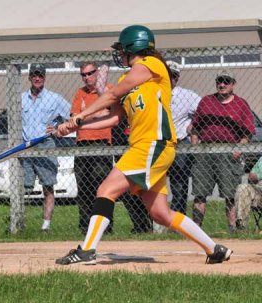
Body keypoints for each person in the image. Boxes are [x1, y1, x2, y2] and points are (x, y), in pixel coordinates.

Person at [53, 24, 232, 265]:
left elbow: (110, 96)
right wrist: (76, 126)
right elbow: (115, 118)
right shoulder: (127, 78)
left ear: (134, 47)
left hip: (153, 144)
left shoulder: (152, 65)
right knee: (160, 213)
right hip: (143, 147)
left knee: (106, 190)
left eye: (123, 49)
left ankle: (87, 250)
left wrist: (81, 116)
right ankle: (214, 249)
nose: (120, 54)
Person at [190, 71, 255, 233]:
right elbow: (195, 128)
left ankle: (232, 229)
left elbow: (248, 132)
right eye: (220, 81)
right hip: (205, 151)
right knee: (199, 193)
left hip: (229, 152)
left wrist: (238, 149)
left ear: (233, 84)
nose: (222, 84)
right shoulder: (206, 102)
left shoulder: (241, 104)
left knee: (230, 194)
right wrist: (195, 148)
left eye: (226, 81)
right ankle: (196, 229)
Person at [22, 63, 71, 232]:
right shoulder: (20, 99)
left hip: (46, 145)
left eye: (40, 75)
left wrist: (59, 130)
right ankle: (20, 223)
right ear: (29, 77)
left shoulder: (54, 98)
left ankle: (46, 225)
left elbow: (72, 116)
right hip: (26, 146)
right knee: (23, 186)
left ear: (44, 77)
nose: (37, 78)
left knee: (48, 186)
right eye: (34, 75)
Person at [71, 61, 115, 234]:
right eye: (83, 74)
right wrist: (94, 114)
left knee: (102, 187)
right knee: (83, 188)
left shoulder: (107, 90)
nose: (87, 77)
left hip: (101, 142)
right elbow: (75, 118)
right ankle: (85, 226)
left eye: (90, 73)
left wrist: (85, 113)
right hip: (82, 143)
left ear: (97, 73)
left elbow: (108, 113)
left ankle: (105, 226)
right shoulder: (80, 93)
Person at [167, 61, 201, 215]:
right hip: (157, 143)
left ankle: (177, 220)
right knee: (153, 185)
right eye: (167, 75)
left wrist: (194, 124)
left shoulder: (186, 95)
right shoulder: (155, 93)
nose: (170, 78)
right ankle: (151, 225)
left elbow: (205, 110)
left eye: (173, 75)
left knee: (179, 185)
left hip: (179, 144)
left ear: (178, 77)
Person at [234, 156, 262, 230]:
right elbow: (251, 176)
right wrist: (253, 176)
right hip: (259, 193)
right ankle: (241, 225)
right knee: (243, 188)